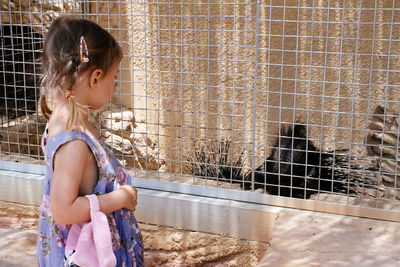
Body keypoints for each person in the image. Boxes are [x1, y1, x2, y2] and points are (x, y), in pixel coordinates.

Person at [37, 16, 144, 266]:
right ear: (95, 78)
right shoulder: (74, 143)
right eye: (114, 78)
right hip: (85, 256)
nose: (115, 85)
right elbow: (63, 210)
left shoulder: (66, 121)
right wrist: (120, 199)